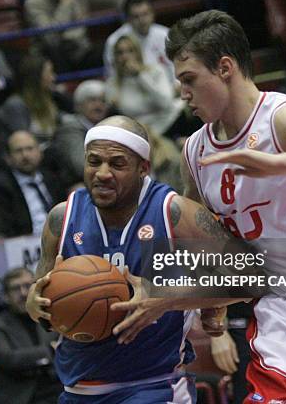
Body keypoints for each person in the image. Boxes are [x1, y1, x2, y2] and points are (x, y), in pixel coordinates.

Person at [118, 10, 286, 403]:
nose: (183, 95)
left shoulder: (285, 117)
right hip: (281, 309)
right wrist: (210, 304)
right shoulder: (195, 151)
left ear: (225, 68)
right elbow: (206, 245)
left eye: (190, 80)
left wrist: (280, 162)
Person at [26, 115, 253, 403]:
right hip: (78, 389)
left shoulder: (172, 213)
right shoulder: (62, 218)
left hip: (154, 386)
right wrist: (36, 303)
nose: (102, 173)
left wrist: (166, 298)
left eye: (117, 164)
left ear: (143, 168)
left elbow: (252, 277)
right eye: (94, 162)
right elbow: (38, 292)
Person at [0, 267, 63, 404]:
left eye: (27, 286)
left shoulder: (49, 316)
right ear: (6, 296)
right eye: (15, 289)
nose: (23, 293)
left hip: (58, 390)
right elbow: (9, 359)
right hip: (22, 396)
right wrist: (50, 350)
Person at [0, 130, 67, 237]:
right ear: (8, 158)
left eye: (29, 149)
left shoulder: (52, 178)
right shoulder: (1, 187)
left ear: (40, 152)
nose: (25, 155)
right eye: (18, 151)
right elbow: (7, 228)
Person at [106, 35, 187, 138]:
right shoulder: (113, 84)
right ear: (115, 57)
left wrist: (140, 76)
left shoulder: (156, 71)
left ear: (138, 53)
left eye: (130, 51)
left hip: (171, 123)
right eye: (120, 53)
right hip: (142, 133)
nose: (125, 57)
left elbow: (165, 103)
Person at [103, 0, 175, 85]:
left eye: (145, 14)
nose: (142, 20)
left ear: (152, 13)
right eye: (136, 17)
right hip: (131, 89)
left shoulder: (165, 35)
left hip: (165, 88)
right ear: (128, 19)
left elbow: (174, 67)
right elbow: (112, 76)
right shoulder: (114, 41)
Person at [54, 79, 111, 185]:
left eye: (103, 101)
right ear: (79, 105)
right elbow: (81, 166)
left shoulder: (107, 127)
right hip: (77, 184)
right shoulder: (70, 129)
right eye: (92, 100)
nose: (98, 105)